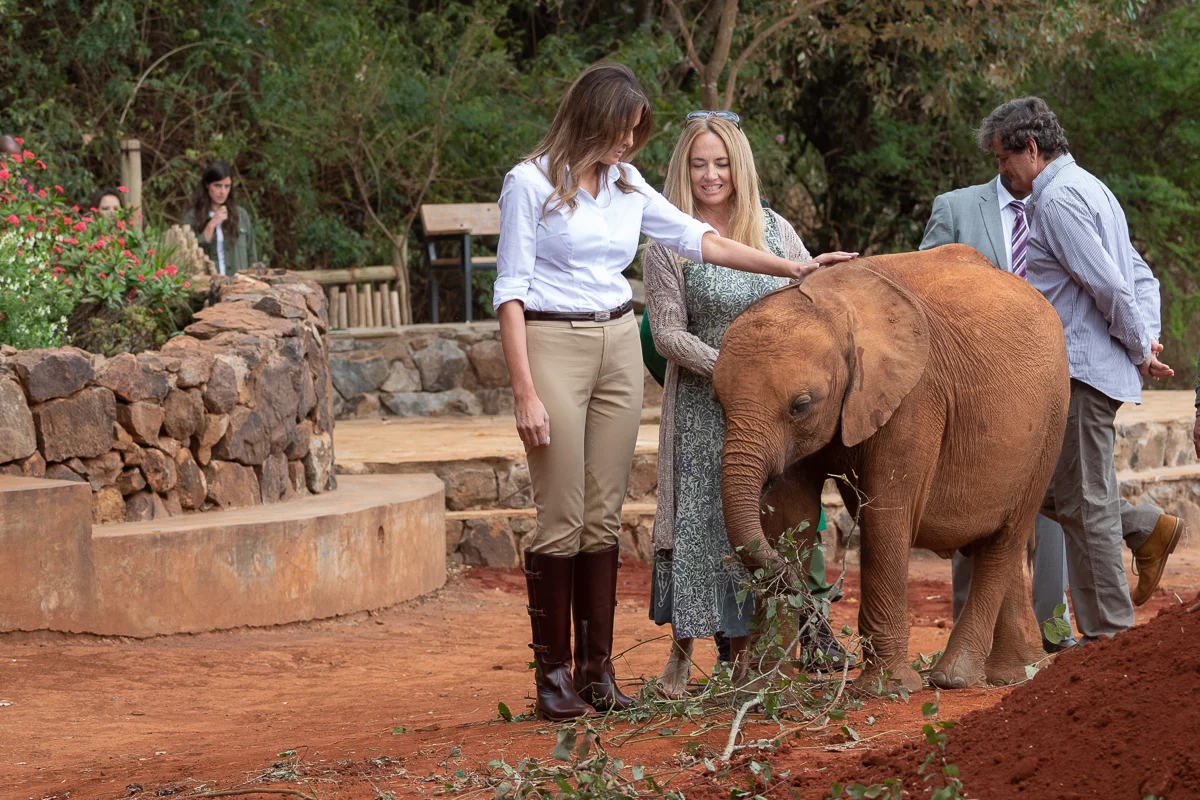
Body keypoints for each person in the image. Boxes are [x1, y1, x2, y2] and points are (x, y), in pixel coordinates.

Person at [494, 63, 838, 721]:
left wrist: (793, 265)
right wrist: (523, 392)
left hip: (619, 343)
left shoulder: (626, 183)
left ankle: (596, 674)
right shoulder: (528, 184)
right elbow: (509, 289)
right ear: (590, 120)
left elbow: (699, 240)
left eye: (635, 137)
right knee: (562, 514)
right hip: (551, 343)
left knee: (601, 515)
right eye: (622, 133)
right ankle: (553, 676)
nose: (628, 147)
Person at [643, 112, 856, 698]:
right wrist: (735, 373)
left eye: (721, 163)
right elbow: (665, 333)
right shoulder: (667, 241)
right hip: (700, 406)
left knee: (763, 523)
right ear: (682, 168)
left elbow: (808, 303)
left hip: (772, 421)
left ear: (739, 167)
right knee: (700, 525)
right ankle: (679, 659)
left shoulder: (776, 230)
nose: (711, 175)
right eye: (698, 163)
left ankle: (750, 656)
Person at [977, 97, 1182, 641]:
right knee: (1050, 494)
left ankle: (1110, 637)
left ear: (1033, 149)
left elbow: (1112, 284)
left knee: (1084, 505)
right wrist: (1147, 336)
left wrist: (1141, 347)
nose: (1001, 172)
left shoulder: (1058, 199)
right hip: (1088, 371)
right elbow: (1142, 277)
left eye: (1004, 159)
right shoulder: (1093, 188)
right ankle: (1143, 528)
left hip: (1080, 373)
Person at [183, 160, 259, 277]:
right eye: (217, 186)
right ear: (207, 185)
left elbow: (252, 256)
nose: (222, 192)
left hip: (238, 288)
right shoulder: (192, 218)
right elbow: (188, 258)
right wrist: (212, 224)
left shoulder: (241, 215)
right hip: (207, 288)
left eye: (227, 186)